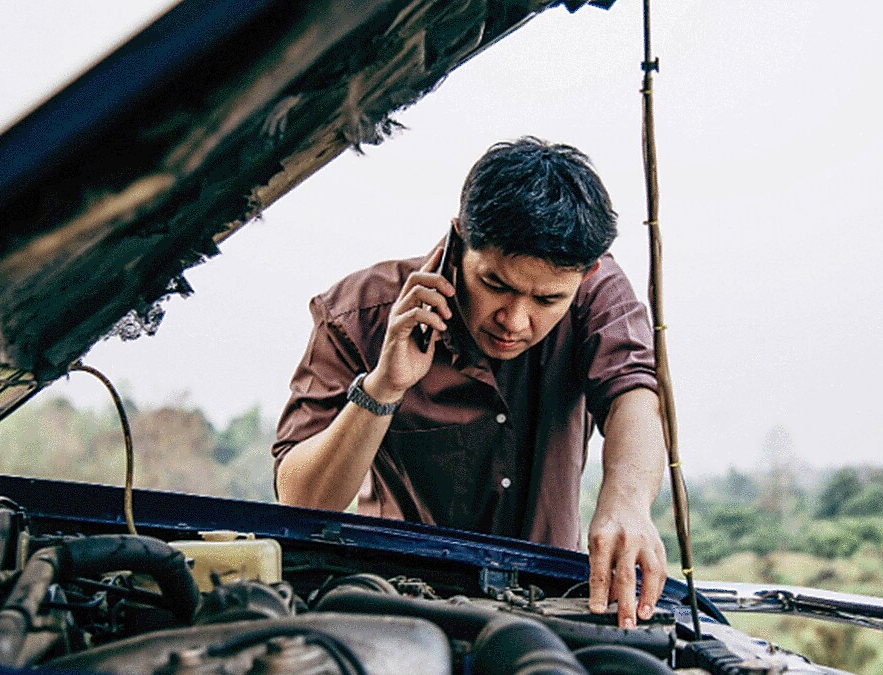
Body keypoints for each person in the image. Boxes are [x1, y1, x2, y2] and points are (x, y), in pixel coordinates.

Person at [273, 137, 667, 628]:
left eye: (546, 300)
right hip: (393, 606)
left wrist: (627, 504)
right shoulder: (357, 315)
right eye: (496, 285)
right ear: (459, 239)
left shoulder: (598, 291)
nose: (515, 320)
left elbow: (634, 392)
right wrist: (383, 389)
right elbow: (300, 503)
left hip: (546, 611)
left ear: (585, 275)